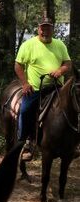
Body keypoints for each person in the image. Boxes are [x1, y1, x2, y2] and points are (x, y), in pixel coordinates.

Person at [15, 15, 72, 161]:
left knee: (74, 106)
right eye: (42, 28)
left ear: (52, 29)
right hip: (36, 89)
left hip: (57, 87)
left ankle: (73, 143)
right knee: (25, 110)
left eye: (48, 28)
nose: (45, 31)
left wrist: (60, 71)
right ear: (38, 29)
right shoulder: (28, 45)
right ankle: (25, 142)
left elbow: (68, 64)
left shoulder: (60, 45)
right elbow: (18, 66)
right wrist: (25, 84)